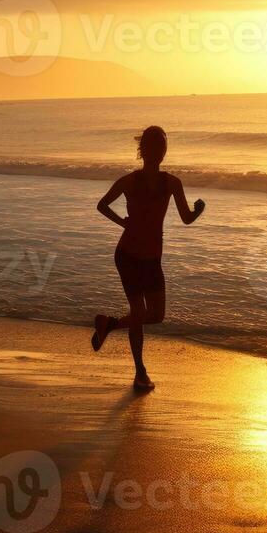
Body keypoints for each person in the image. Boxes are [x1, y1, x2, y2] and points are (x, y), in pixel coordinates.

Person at [90, 125, 205, 390]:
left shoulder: (172, 183)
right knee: (140, 313)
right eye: (153, 147)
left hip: (152, 258)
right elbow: (102, 205)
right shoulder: (129, 181)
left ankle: (110, 324)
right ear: (143, 151)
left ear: (164, 152)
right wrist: (123, 223)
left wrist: (198, 211)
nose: (157, 152)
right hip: (128, 255)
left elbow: (186, 218)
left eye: (161, 148)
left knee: (157, 315)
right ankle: (140, 372)